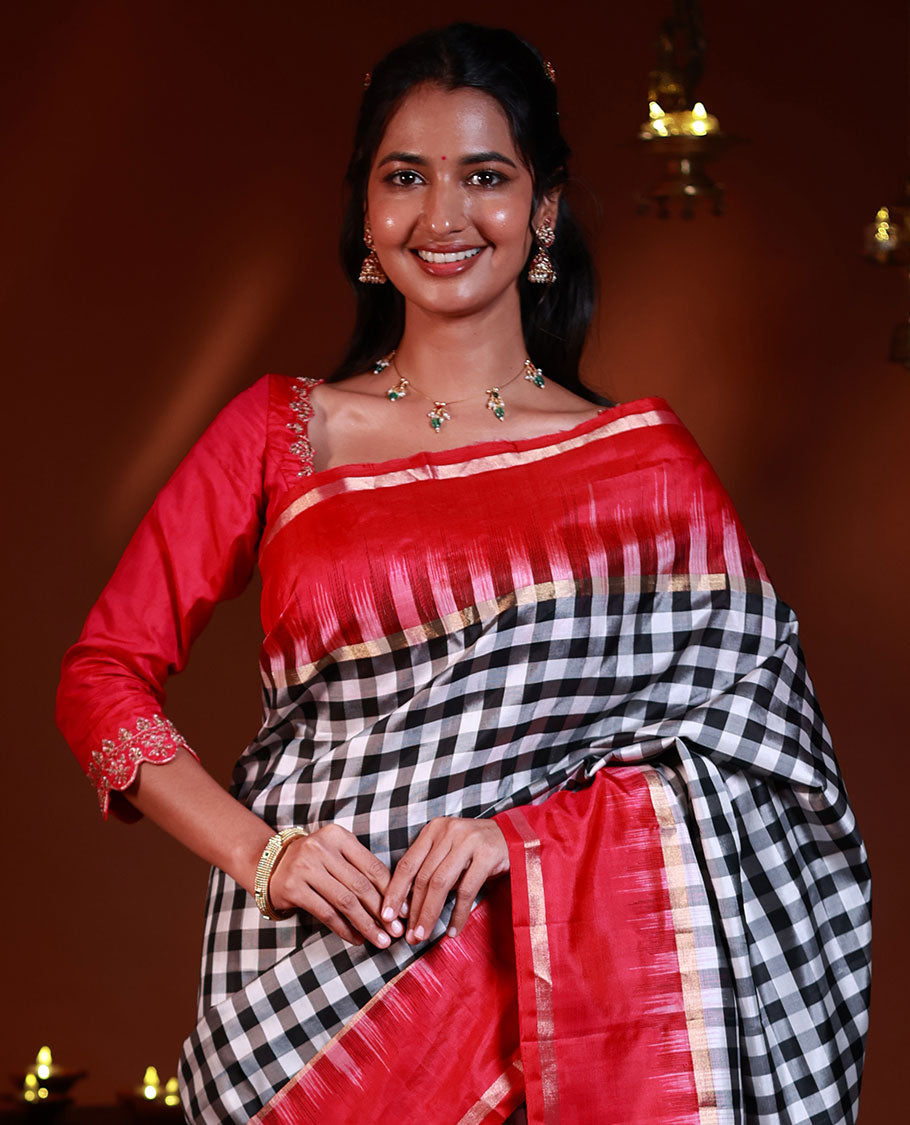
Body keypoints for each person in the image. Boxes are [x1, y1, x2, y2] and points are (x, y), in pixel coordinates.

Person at [56, 23, 871, 1125]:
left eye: (485, 177)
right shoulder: (282, 432)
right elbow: (101, 676)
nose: (442, 216)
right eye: (405, 177)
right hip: (307, 999)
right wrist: (266, 855)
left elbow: (771, 771)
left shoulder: (642, 468)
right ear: (365, 211)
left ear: (544, 210)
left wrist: (520, 840)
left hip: (551, 998)